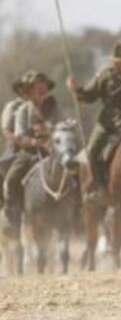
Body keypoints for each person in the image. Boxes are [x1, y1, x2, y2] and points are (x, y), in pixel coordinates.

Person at [68, 40, 121, 203]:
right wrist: (75, 90)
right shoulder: (105, 76)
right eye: (116, 61)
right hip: (107, 123)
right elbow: (89, 96)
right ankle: (98, 188)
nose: (118, 64)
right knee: (92, 151)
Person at [3, 71, 61, 236]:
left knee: (74, 171)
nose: (42, 90)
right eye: (37, 87)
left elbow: (62, 123)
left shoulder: (53, 106)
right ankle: (13, 221)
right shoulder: (21, 109)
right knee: (11, 179)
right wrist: (37, 142)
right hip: (28, 153)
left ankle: (79, 208)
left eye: (44, 87)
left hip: (54, 151)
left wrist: (57, 134)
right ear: (29, 91)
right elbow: (18, 135)